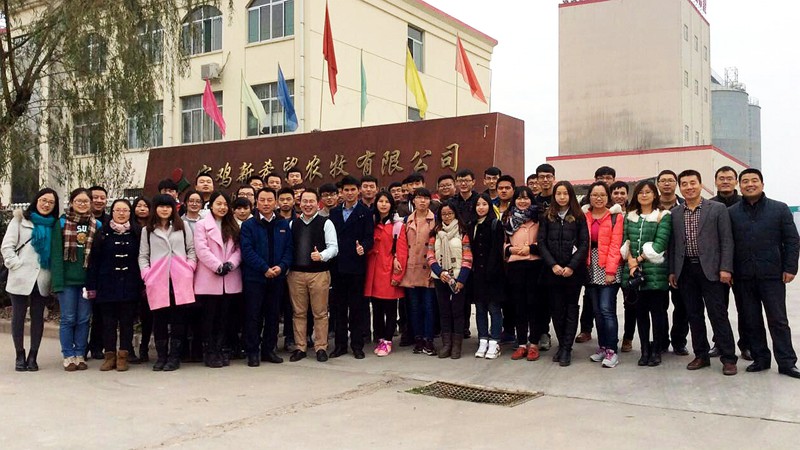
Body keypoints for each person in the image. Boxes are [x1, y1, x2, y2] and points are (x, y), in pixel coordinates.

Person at [729, 168, 800, 378]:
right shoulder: (731, 212)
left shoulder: (779, 209)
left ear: (762, 184)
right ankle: (761, 359)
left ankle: (787, 362)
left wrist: (790, 267)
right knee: (751, 320)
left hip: (772, 275)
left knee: (778, 320)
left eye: (754, 180)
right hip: (742, 276)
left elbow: (792, 240)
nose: (750, 184)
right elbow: (727, 244)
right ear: (739, 185)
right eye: (745, 181)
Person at [669, 170, 738, 376]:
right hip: (685, 270)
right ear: (680, 187)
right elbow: (673, 245)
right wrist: (672, 270)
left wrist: (726, 268)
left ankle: (729, 358)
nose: (689, 187)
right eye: (684, 184)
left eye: (693, 183)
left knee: (718, 314)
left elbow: (727, 240)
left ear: (700, 184)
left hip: (712, 270)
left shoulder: (717, 209)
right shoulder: (675, 212)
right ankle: (701, 355)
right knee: (694, 314)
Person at [2, 188, 59, 371]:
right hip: (21, 275)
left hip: (42, 277)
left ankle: (33, 356)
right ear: (36, 200)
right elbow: (7, 246)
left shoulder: (55, 225)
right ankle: (19, 354)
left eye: (51, 202)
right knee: (18, 317)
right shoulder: (20, 220)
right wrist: (15, 264)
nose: (46, 204)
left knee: (38, 318)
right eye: (44, 200)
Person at [138, 194, 197, 371]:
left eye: (168, 206)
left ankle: (174, 357)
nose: (165, 209)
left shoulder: (182, 226)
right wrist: (147, 275)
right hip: (158, 280)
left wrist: (189, 269)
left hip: (179, 279)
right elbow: (143, 256)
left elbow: (191, 250)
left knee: (178, 319)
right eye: (161, 206)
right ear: (155, 208)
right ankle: (161, 357)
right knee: (159, 319)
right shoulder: (147, 230)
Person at [85, 199, 142, 372]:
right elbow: (94, 261)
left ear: (130, 213)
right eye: (118, 210)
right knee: (108, 323)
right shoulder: (103, 233)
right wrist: (91, 286)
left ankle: (123, 356)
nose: (122, 213)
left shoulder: (137, 232)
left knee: (127, 322)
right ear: (113, 212)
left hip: (130, 284)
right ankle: (109, 356)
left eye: (125, 210)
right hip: (107, 285)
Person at [240, 188, 294, 367]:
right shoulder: (249, 225)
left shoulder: (283, 224)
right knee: (253, 315)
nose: (266, 203)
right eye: (262, 200)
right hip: (255, 278)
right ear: (256, 202)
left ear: (275, 202)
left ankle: (268, 350)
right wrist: (264, 268)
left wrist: (282, 266)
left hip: (277, 278)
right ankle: (252, 352)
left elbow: (289, 249)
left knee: (273, 315)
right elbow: (247, 251)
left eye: (270, 200)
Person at [51, 188, 102, 371]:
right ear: (72, 203)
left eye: (86, 201)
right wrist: (57, 282)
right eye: (78, 201)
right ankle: (68, 354)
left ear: (90, 203)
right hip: (67, 281)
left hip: (87, 281)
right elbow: (56, 255)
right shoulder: (61, 223)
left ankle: (80, 353)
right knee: (68, 318)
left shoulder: (97, 225)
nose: (82, 204)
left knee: (83, 319)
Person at [621, 181, 672, 367]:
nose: (644, 195)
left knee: (657, 314)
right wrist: (631, 262)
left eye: (648, 192)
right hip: (634, 273)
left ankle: (656, 350)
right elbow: (625, 240)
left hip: (656, 272)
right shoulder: (630, 216)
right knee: (640, 313)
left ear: (654, 195)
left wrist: (638, 259)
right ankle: (644, 350)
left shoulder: (663, 216)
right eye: (641, 192)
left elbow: (660, 244)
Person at [538, 181, 588, 366]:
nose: (561, 197)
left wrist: (572, 266)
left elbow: (584, 243)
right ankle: (562, 344)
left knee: (571, 309)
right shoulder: (547, 216)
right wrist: (553, 265)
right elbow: (541, 243)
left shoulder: (579, 216)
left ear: (571, 196)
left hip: (573, 272)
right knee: (557, 310)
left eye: (565, 193)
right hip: (553, 272)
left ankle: (567, 348)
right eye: (558, 193)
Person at [287, 189, 338, 362]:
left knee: (320, 313)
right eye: (305, 201)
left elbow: (334, 247)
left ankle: (321, 347)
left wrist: (321, 255)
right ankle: (300, 347)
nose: (308, 205)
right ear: (299, 203)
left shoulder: (326, 223)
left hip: (319, 274)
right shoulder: (293, 224)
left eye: (311, 202)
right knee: (298, 313)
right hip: (296, 274)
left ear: (318, 204)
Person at [193, 192, 242, 368]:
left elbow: (238, 250)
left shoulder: (233, 225)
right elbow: (201, 249)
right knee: (209, 318)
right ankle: (210, 351)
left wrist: (230, 264)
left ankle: (221, 349)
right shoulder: (201, 225)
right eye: (218, 204)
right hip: (210, 278)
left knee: (224, 318)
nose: (222, 207)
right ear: (211, 205)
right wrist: (218, 266)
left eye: (225, 204)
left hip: (229, 277)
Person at [329, 176, 374, 360]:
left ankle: (357, 345)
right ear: (341, 192)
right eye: (346, 190)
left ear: (358, 191)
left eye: (353, 189)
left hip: (356, 266)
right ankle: (340, 345)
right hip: (338, 266)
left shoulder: (365, 212)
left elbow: (369, 237)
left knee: (357, 308)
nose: (349, 193)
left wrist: (364, 247)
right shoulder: (334, 213)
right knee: (339, 308)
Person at [583, 181, 624, 368]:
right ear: (589, 197)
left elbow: (616, 245)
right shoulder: (584, 215)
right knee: (597, 311)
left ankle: (612, 350)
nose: (598, 198)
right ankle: (603, 346)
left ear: (608, 197)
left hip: (608, 266)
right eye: (594, 195)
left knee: (607, 309)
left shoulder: (615, 217)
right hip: (590, 266)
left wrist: (610, 271)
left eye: (602, 195)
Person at [709, 166, 748, 358]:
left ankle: (747, 344)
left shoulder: (745, 204)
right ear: (716, 181)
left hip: (742, 265)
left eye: (729, 178)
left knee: (746, 308)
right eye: (721, 178)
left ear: (736, 182)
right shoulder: (709, 205)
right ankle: (719, 343)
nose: (725, 181)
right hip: (717, 267)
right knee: (718, 308)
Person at [364, 192, 408, 357]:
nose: (383, 204)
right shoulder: (371, 222)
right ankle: (380, 337)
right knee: (376, 308)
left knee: (390, 309)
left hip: (388, 271)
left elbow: (402, 253)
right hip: (373, 272)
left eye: (386, 202)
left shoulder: (397, 226)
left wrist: (397, 276)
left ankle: (388, 340)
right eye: (380, 201)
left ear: (391, 204)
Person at [427, 201, 472, 359]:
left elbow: (467, 257)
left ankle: (457, 346)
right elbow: (430, 255)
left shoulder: (462, 232)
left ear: (455, 214)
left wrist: (461, 280)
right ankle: (446, 345)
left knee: (457, 311)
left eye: (450, 213)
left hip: (458, 278)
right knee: (444, 311)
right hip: (440, 278)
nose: (447, 217)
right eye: (444, 214)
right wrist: (439, 272)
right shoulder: (435, 233)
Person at [504, 186, 544, 362]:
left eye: (526, 198)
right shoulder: (508, 219)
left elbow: (544, 241)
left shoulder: (539, 218)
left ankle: (534, 344)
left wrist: (531, 248)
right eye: (519, 198)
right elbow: (502, 242)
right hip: (515, 266)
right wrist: (510, 249)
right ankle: (521, 344)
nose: (522, 201)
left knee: (534, 305)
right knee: (518, 306)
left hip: (534, 265)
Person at [401, 188, 438, 356]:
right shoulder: (406, 221)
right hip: (411, 269)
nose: (422, 201)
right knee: (414, 307)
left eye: (426, 198)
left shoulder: (435, 220)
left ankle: (429, 339)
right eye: (419, 198)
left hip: (428, 268)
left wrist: (435, 269)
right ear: (413, 201)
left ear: (430, 201)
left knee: (429, 307)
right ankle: (418, 340)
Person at [470, 193, 505, 359]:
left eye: (484, 204)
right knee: (480, 309)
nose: (481, 207)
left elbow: (497, 251)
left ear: (490, 206)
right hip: (476, 275)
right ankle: (483, 339)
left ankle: (495, 341)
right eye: (478, 204)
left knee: (494, 309)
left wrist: (490, 271)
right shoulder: (471, 225)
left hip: (493, 275)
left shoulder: (495, 224)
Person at [609, 181, 635, 353]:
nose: (619, 196)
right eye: (616, 193)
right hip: (611, 264)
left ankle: (628, 337)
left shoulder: (634, 213)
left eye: (622, 193)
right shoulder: (607, 213)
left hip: (628, 264)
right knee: (608, 304)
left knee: (630, 304)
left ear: (627, 195)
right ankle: (610, 338)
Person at [86, 185, 109, 360]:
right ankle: (79, 347)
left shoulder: (109, 221)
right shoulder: (79, 220)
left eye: (102, 198)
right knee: (81, 314)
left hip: (102, 272)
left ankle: (96, 346)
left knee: (100, 313)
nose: (99, 201)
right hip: (81, 271)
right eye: (95, 197)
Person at [132, 196, 152, 363]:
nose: (142, 208)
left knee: (148, 315)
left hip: (150, 274)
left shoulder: (154, 228)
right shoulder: (129, 226)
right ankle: (128, 349)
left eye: (146, 206)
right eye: (139, 205)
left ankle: (144, 347)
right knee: (130, 314)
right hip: (132, 274)